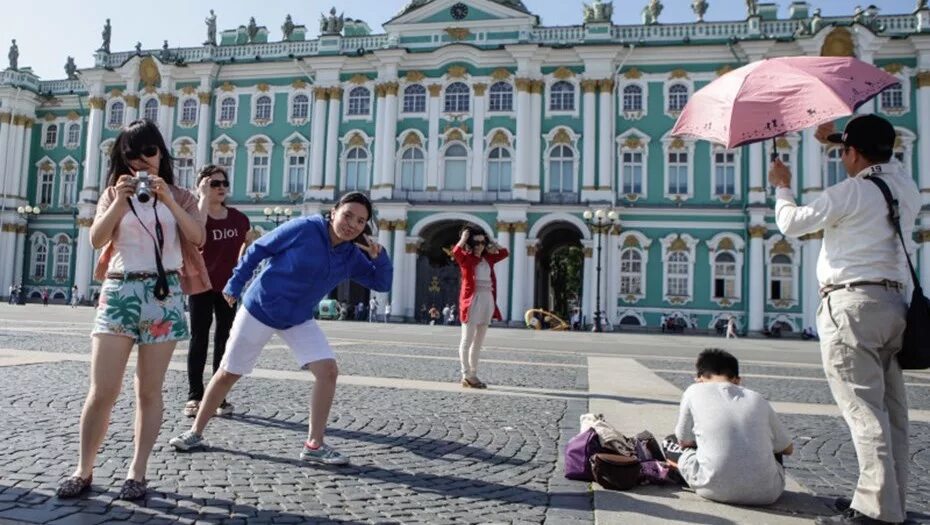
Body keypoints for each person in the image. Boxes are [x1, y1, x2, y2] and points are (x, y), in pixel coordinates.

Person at [769, 114, 918, 525]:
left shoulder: (850, 193)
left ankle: (875, 511)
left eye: (844, 151)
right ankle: (891, 502)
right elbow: (880, 157)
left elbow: (791, 224)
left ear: (853, 153)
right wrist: (838, 137)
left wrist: (782, 184)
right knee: (892, 414)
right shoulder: (905, 187)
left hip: (851, 307)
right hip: (894, 307)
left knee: (864, 413)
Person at [169, 192, 392, 466]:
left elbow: (381, 283)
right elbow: (259, 248)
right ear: (333, 212)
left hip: (297, 317)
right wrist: (235, 283)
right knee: (228, 372)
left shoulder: (351, 256)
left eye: (360, 221)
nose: (352, 224)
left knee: (328, 372)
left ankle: (314, 444)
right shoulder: (306, 228)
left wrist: (379, 256)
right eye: (348, 215)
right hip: (260, 308)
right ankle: (195, 432)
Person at [56, 119, 208, 501]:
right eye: (132, 156)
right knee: (102, 390)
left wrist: (168, 199)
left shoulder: (182, 196)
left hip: (164, 292)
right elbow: (95, 239)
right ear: (122, 161)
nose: (142, 162)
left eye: (149, 152)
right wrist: (121, 200)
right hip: (120, 289)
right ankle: (83, 469)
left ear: (161, 153)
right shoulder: (112, 194)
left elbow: (198, 237)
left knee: (149, 391)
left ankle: (136, 473)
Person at [672, 349, 794, 506]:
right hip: (768, 493)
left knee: (670, 442)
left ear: (699, 378)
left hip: (711, 488)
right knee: (771, 445)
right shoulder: (757, 398)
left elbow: (684, 441)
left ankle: (681, 471)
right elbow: (788, 449)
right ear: (737, 380)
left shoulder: (693, 390)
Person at [183, 164, 251, 419]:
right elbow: (195, 236)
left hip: (227, 288)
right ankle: (194, 396)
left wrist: (240, 274)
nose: (221, 188)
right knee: (198, 339)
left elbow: (248, 245)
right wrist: (200, 199)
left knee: (225, 341)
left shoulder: (238, 218)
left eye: (224, 183)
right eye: (214, 183)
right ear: (202, 186)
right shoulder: (196, 216)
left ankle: (218, 396)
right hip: (201, 284)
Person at [452, 224, 509, 389]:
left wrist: (491, 240)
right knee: (466, 340)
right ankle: (466, 374)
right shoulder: (466, 258)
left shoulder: (488, 258)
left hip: (487, 299)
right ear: (470, 244)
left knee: (479, 342)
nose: (480, 246)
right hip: (472, 300)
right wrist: (463, 239)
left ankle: (473, 374)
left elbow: (505, 253)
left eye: (482, 243)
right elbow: (455, 252)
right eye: (476, 243)